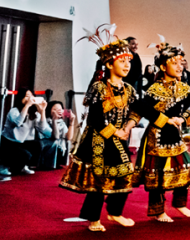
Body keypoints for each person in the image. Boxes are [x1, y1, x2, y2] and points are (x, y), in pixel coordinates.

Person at [60, 25, 140, 232]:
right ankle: (94, 218)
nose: (127, 65)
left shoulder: (129, 89)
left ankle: (115, 212)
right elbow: (95, 118)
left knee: (125, 173)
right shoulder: (99, 87)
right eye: (122, 61)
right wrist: (116, 131)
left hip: (119, 139)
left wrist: (129, 126)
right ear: (109, 64)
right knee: (98, 179)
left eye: (128, 61)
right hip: (98, 140)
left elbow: (137, 111)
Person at [132, 37, 190, 222]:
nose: (180, 67)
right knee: (157, 174)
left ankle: (180, 203)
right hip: (157, 137)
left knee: (186, 166)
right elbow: (140, 106)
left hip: (175, 136)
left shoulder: (183, 88)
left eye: (181, 63)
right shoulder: (155, 88)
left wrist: (183, 118)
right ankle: (158, 211)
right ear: (163, 67)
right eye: (175, 63)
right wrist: (164, 119)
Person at [0, 87, 50, 175]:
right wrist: (27, 106)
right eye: (27, 96)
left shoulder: (34, 113)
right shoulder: (14, 111)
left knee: (38, 145)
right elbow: (18, 122)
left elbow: (42, 128)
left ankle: (23, 166)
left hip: (24, 141)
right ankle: (4, 166)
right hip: (9, 142)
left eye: (31, 96)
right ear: (21, 98)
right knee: (24, 154)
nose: (30, 99)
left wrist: (42, 111)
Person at [41, 100, 75, 169]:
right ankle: (48, 164)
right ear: (49, 111)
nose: (58, 111)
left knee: (67, 142)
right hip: (46, 148)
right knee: (55, 142)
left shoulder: (61, 123)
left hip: (57, 147)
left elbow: (69, 137)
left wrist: (71, 123)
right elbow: (55, 136)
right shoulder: (45, 122)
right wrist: (54, 120)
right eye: (55, 109)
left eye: (60, 109)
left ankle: (60, 162)